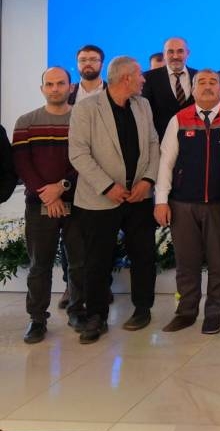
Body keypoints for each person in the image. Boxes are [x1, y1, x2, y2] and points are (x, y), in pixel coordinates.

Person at [68, 56, 161, 344]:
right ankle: (96, 316)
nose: (143, 79)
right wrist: (108, 186)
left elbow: (153, 144)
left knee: (143, 255)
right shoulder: (86, 108)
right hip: (99, 200)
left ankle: (142, 309)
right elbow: (79, 154)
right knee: (97, 260)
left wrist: (148, 181)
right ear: (125, 78)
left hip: (138, 197)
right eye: (139, 75)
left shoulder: (143, 105)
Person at [154, 69, 220, 334]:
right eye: (202, 83)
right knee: (186, 262)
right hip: (182, 205)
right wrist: (161, 201)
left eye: (213, 82)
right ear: (193, 89)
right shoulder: (179, 119)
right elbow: (166, 162)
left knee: (219, 262)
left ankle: (214, 313)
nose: (207, 87)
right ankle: (186, 312)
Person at [14, 67, 84, 343]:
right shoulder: (26, 122)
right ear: (42, 88)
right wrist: (48, 195)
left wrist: (61, 187)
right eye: (50, 84)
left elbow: (87, 159)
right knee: (39, 265)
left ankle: (77, 311)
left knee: (79, 262)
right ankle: (37, 320)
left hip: (78, 202)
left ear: (71, 87)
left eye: (61, 83)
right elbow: (22, 164)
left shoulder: (83, 119)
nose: (55, 88)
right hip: (39, 203)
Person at [141, 36, 197, 138]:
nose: (175, 56)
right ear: (164, 54)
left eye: (180, 51)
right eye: (170, 52)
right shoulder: (148, 78)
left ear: (188, 53)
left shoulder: (199, 76)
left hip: (194, 140)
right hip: (161, 141)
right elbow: (144, 114)